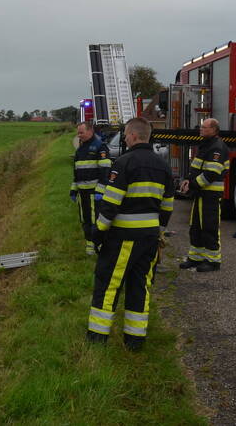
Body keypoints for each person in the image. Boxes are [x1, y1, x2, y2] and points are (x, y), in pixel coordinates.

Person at [87, 117, 174, 350]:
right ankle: (135, 341)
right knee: (140, 287)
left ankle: (96, 339)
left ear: (135, 136)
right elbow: (167, 206)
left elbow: (111, 203)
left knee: (109, 285)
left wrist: (98, 232)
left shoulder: (123, 163)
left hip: (123, 238)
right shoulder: (163, 166)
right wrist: (159, 233)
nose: (125, 137)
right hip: (149, 239)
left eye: (126, 134)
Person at [179, 118, 228, 272]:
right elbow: (196, 168)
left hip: (211, 195)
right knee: (196, 227)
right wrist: (188, 179)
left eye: (204, 127)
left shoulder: (217, 148)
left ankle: (213, 261)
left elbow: (211, 173)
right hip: (201, 193)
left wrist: (192, 184)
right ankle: (195, 258)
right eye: (201, 126)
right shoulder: (206, 145)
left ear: (213, 129)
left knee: (209, 227)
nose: (201, 129)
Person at [70, 122, 112, 255]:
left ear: (90, 131)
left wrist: (100, 190)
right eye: (78, 132)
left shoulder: (100, 147)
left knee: (96, 221)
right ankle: (89, 244)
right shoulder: (80, 150)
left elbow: (105, 172)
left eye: (81, 132)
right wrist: (73, 189)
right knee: (85, 220)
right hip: (82, 193)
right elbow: (76, 173)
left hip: (95, 193)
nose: (79, 135)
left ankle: (99, 245)